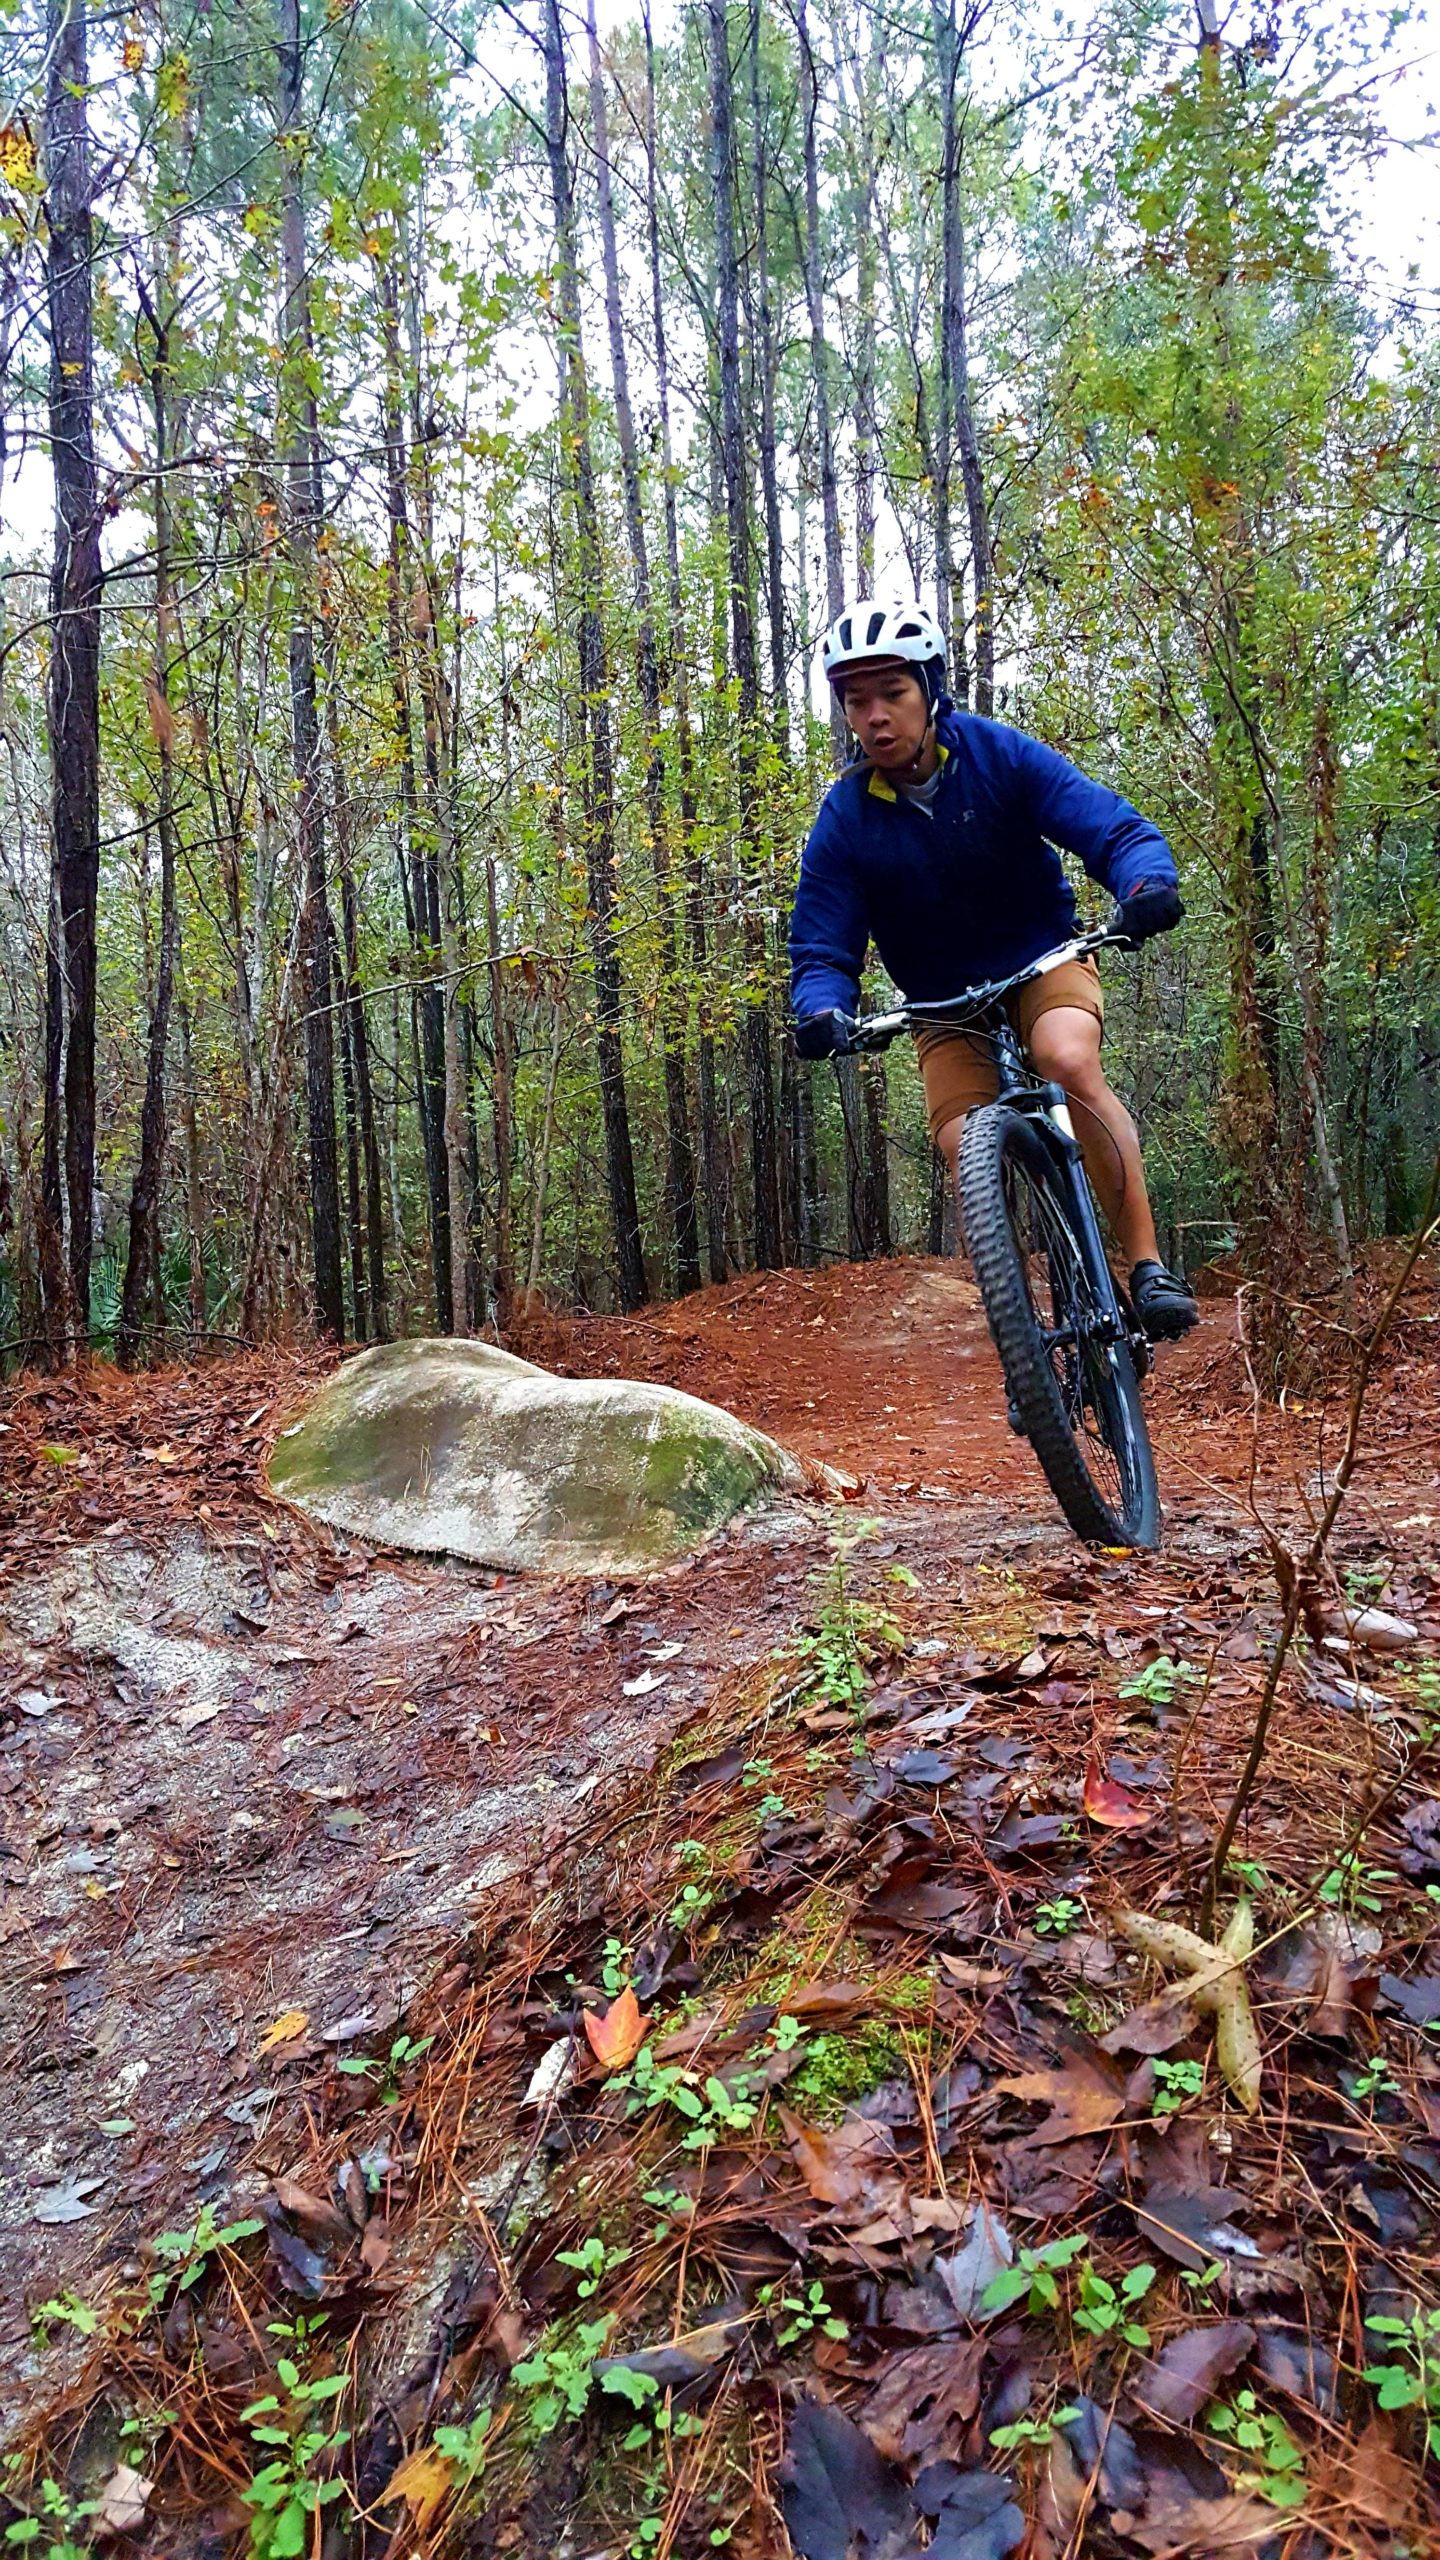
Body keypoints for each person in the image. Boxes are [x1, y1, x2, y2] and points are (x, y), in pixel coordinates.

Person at [788, 598, 1198, 1339]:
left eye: (893, 694)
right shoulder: (846, 817)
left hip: (1041, 958)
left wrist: (1144, 883)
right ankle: (1030, 1336)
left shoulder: (996, 755)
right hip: (943, 1005)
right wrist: (822, 1006)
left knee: (1065, 1057)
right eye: (857, 701)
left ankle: (1145, 1265)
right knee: (962, 1143)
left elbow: (1106, 824)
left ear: (930, 688)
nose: (876, 716)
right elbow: (823, 941)